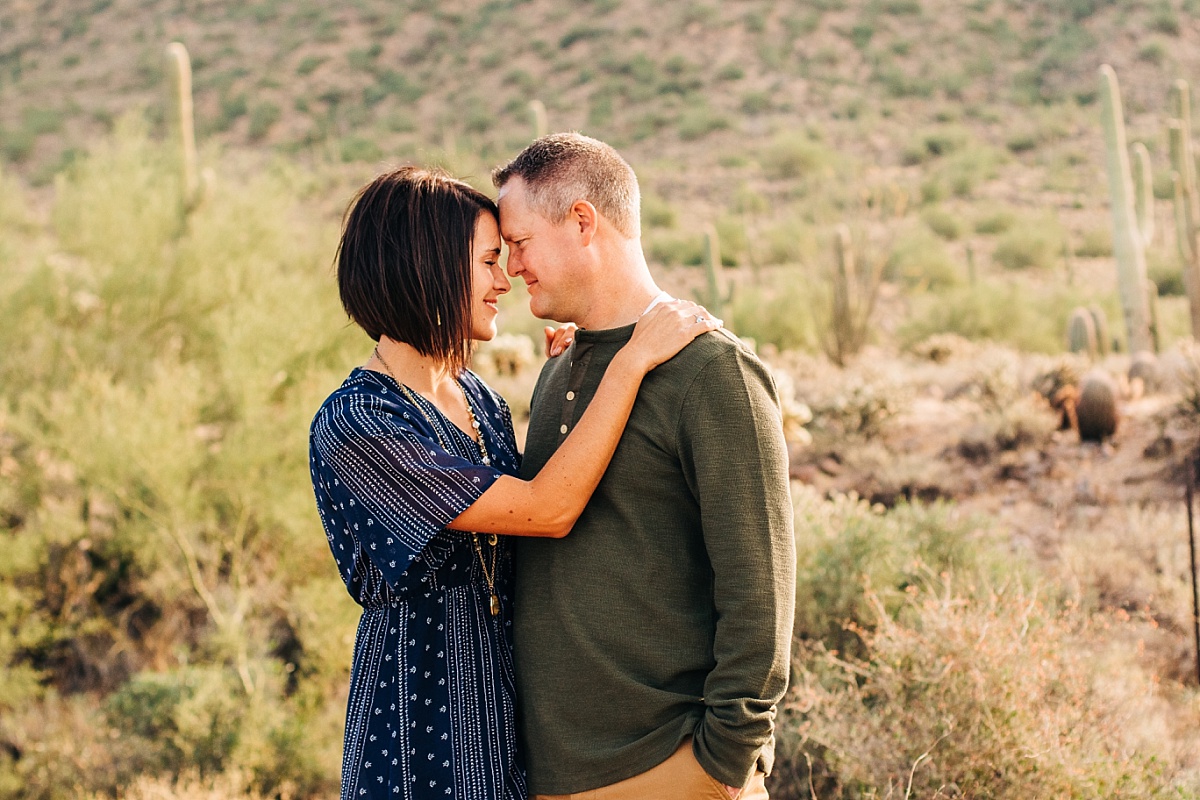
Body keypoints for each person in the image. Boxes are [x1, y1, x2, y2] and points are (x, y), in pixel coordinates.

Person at [308, 166, 719, 800]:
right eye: (488, 261)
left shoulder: (478, 397)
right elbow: (545, 508)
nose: (506, 280)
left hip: (506, 715)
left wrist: (575, 372)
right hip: (423, 725)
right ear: (429, 268)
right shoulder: (361, 422)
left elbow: (518, 505)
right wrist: (630, 360)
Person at [493, 134, 796, 800]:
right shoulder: (557, 370)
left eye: (518, 243)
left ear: (580, 222)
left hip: (668, 771)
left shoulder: (714, 374)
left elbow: (759, 597)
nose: (511, 267)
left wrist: (720, 770)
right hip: (551, 777)